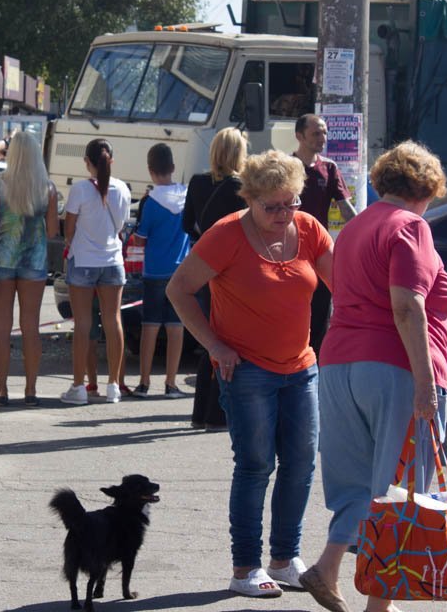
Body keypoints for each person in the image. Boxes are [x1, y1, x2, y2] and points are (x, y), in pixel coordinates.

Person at [299, 141, 447, 612]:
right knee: (401, 489)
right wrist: (425, 383)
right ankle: (378, 607)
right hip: (394, 367)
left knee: (355, 484)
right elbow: (407, 306)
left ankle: (328, 567)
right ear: (425, 187)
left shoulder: (354, 227)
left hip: (340, 363)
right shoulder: (410, 226)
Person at [167, 150, 333, 599]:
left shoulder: (309, 228)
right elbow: (179, 289)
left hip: (301, 367)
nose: (283, 214)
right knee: (256, 465)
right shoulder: (226, 234)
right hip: (246, 370)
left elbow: (345, 285)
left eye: (290, 203)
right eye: (271, 206)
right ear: (250, 198)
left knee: (301, 463)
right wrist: (213, 345)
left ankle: (285, 559)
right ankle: (245, 568)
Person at [0, 130, 58, 406]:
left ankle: (1, 391)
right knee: (31, 327)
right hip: (34, 262)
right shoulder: (47, 188)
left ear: (13, 155)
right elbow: (53, 231)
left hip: (3, 261)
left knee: (2, 327)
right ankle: (31, 390)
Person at [180, 127, 249, 430]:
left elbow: (187, 224)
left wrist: (206, 238)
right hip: (232, 269)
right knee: (229, 337)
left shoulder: (197, 182)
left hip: (203, 265)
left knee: (210, 338)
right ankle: (217, 413)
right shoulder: (241, 187)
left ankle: (200, 413)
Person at [59, 138, 131, 405]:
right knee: (113, 321)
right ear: (112, 161)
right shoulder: (122, 188)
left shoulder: (79, 189)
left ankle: (79, 387)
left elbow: (69, 230)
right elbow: (121, 225)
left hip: (83, 261)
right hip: (112, 261)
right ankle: (114, 385)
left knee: (83, 324)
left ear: (87, 162)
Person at [293, 114, 356, 354]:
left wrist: (367, 232)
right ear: (299, 136)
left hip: (319, 253)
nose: (323, 138)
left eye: (325, 133)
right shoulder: (286, 166)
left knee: (320, 313)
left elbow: (346, 210)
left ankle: (317, 363)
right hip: (288, 251)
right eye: (316, 133)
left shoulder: (329, 168)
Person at [132, 143, 188, 399]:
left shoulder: (150, 201)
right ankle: (171, 383)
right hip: (180, 272)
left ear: (150, 170)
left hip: (154, 271)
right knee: (176, 327)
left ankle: (144, 382)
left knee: (150, 326)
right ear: (173, 167)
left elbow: (141, 238)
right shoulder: (186, 196)